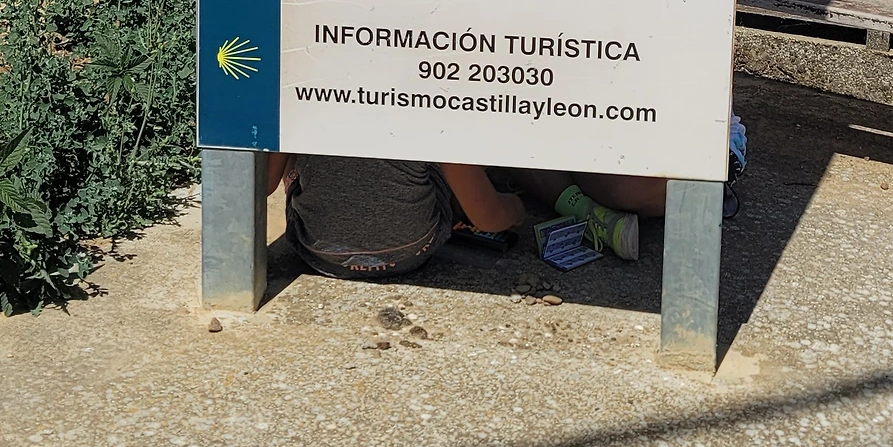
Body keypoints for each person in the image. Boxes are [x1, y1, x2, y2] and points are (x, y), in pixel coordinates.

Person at [265, 154, 665, 277]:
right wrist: (516, 211)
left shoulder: (303, 79)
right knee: (456, 170)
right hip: (414, 248)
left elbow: (264, 184)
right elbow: (490, 218)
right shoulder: (426, 88)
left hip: (319, 251)